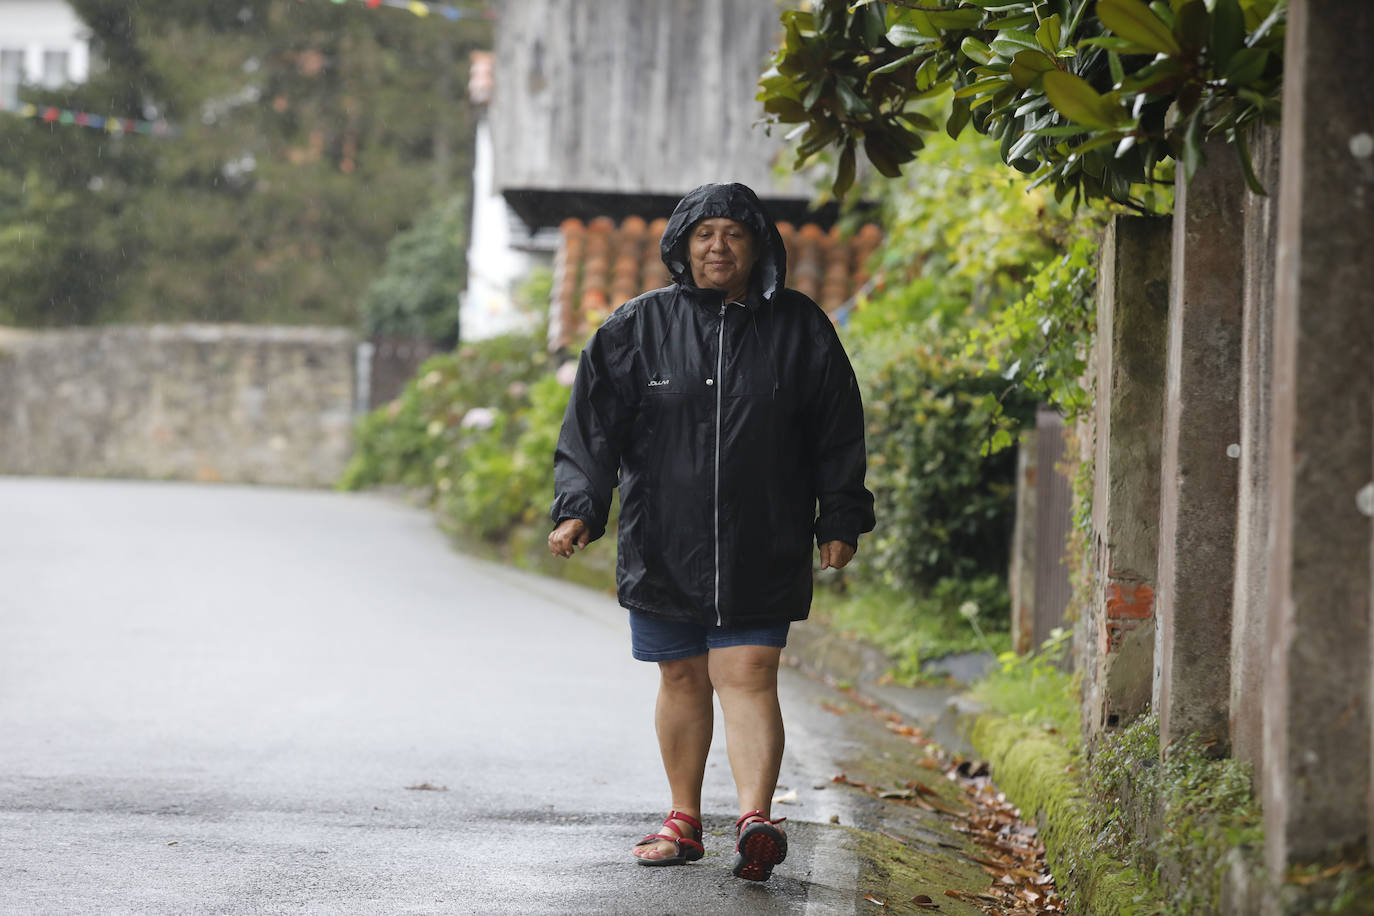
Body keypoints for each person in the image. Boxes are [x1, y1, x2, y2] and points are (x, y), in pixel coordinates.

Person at [548, 182, 875, 882]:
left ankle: (756, 819)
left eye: (732, 233)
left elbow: (837, 431)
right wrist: (579, 505)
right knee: (680, 674)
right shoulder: (636, 327)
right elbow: (593, 428)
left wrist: (840, 514)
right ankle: (684, 818)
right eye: (704, 233)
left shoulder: (800, 327)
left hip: (765, 534)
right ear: (681, 246)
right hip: (663, 536)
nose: (717, 245)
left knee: (748, 671)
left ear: (759, 246)